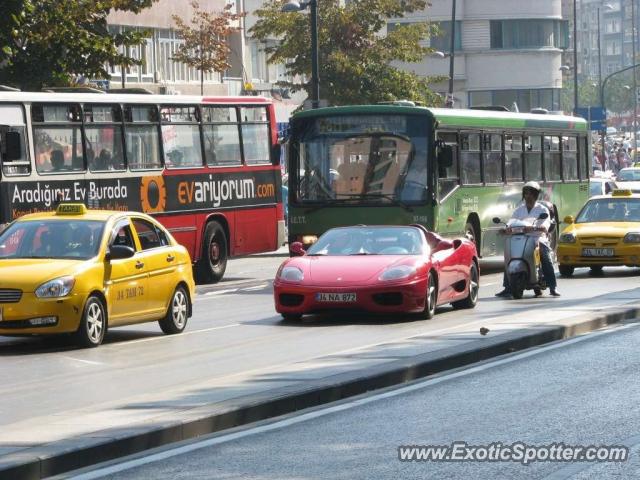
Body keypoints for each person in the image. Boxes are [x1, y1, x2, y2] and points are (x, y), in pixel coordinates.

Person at [495, 181, 560, 298]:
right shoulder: (519, 210)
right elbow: (511, 223)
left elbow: (545, 226)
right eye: (526, 194)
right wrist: (505, 229)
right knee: (509, 255)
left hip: (537, 238)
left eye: (530, 194)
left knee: (545, 256)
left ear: (535, 195)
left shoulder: (542, 210)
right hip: (520, 238)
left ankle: (552, 287)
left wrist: (535, 227)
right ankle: (507, 287)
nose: (528, 196)